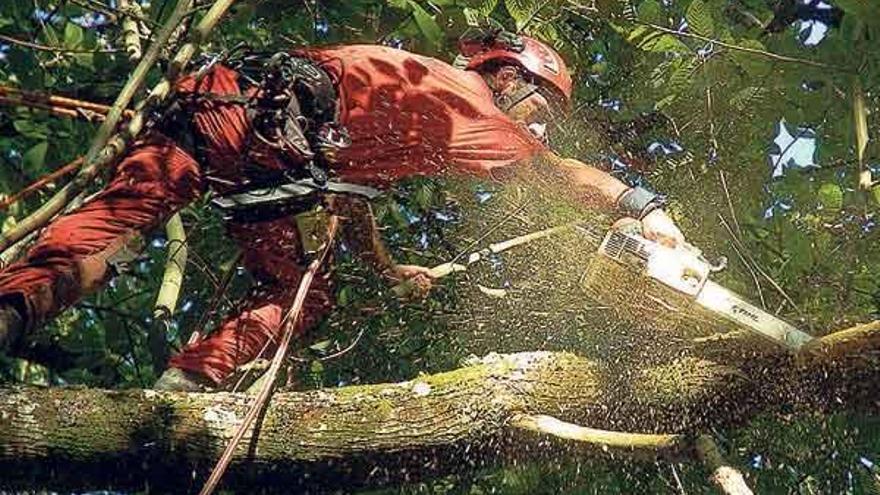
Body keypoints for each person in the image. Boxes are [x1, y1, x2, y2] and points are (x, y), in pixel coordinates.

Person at [0, 31, 685, 390]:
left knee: (116, 227)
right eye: (542, 104)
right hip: (270, 147)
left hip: (228, 116)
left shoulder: (409, 87)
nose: (541, 125)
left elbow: (341, 197)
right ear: (510, 77)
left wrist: (390, 269)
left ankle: (18, 310)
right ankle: (188, 385)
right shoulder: (472, 108)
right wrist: (644, 206)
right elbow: (555, 175)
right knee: (302, 297)